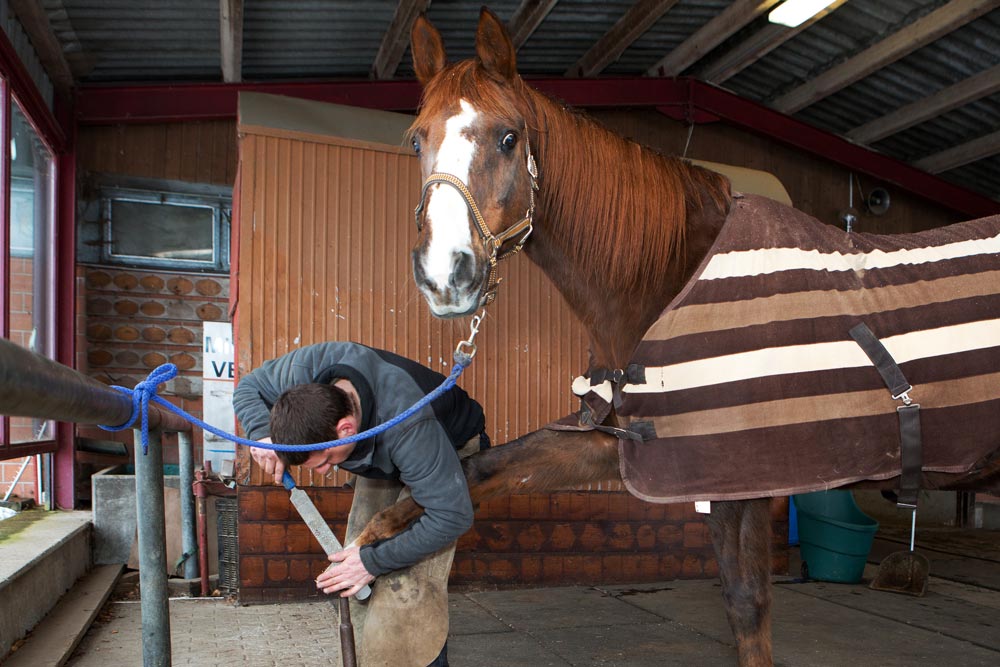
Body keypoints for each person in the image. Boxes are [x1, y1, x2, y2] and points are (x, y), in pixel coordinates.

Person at [233, 341, 488, 667]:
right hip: (381, 455)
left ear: (345, 429)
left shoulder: (408, 424)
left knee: (405, 590)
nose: (324, 471)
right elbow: (248, 389)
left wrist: (373, 561)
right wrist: (261, 434)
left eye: (324, 459)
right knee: (354, 577)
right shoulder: (304, 372)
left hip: (447, 446)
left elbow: (452, 516)